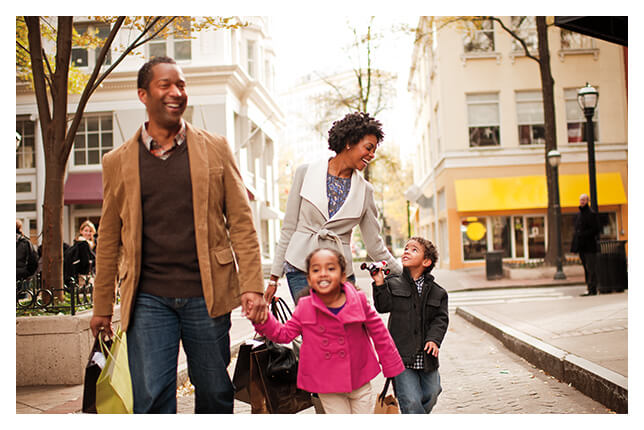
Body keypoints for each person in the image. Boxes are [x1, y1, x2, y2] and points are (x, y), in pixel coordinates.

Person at [90, 56, 267, 414]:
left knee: (216, 392)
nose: (176, 92)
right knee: (152, 397)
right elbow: (108, 237)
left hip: (207, 293)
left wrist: (252, 285)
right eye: (165, 85)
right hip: (148, 297)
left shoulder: (214, 147)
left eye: (181, 85)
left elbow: (242, 222)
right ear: (143, 94)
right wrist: (102, 306)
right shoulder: (117, 161)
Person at [264, 112, 402, 304]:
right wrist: (273, 278)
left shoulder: (365, 191)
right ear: (349, 142)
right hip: (301, 267)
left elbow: (374, 245)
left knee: (345, 330)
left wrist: (405, 272)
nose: (372, 155)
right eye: (368, 148)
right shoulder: (305, 173)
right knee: (313, 328)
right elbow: (288, 227)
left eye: (374, 151)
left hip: (341, 272)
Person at [249, 247, 404, 414]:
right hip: (327, 384)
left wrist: (391, 366)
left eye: (331, 268)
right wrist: (262, 318)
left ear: (343, 276)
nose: (323, 273)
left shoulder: (358, 301)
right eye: (316, 269)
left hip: (359, 377)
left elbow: (380, 334)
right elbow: (284, 334)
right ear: (309, 278)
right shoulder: (305, 307)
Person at [370, 236, 448, 414]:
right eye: (406, 248)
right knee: (411, 401)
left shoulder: (438, 292)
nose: (407, 251)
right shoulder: (393, 283)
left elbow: (441, 320)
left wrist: (434, 340)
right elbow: (383, 307)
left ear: (426, 261)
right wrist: (379, 282)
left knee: (433, 392)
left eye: (414, 250)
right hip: (400, 356)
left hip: (427, 357)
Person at [571, 193, 600, 296]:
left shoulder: (591, 214)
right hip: (582, 247)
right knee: (586, 268)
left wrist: (583, 234)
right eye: (580, 200)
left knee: (591, 268)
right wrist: (574, 248)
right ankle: (589, 288)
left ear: (587, 201)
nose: (582, 202)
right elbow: (576, 232)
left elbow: (596, 230)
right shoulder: (578, 215)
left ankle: (593, 289)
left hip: (590, 246)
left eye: (583, 200)